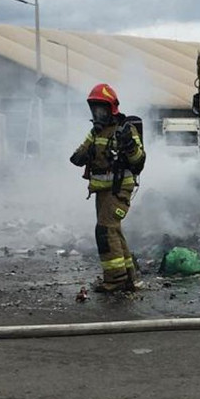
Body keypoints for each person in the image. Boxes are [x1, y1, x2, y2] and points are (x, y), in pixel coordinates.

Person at [70, 84, 146, 294]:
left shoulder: (126, 129)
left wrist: (129, 145)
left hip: (120, 188)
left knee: (104, 230)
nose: (98, 114)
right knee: (114, 230)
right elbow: (78, 156)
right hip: (102, 190)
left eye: (101, 109)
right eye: (95, 109)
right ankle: (128, 277)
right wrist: (83, 154)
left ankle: (114, 281)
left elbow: (139, 160)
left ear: (111, 108)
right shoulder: (95, 132)